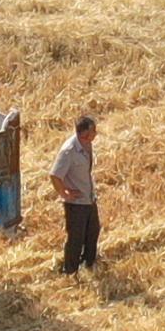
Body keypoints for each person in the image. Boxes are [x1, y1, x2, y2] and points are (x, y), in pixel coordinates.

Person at [53, 112, 100, 275]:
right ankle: (70, 271)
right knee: (76, 239)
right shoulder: (69, 151)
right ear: (86, 134)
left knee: (93, 232)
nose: (96, 134)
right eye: (94, 131)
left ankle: (89, 264)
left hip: (89, 198)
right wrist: (65, 194)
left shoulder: (86, 145)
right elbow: (55, 176)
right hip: (76, 204)